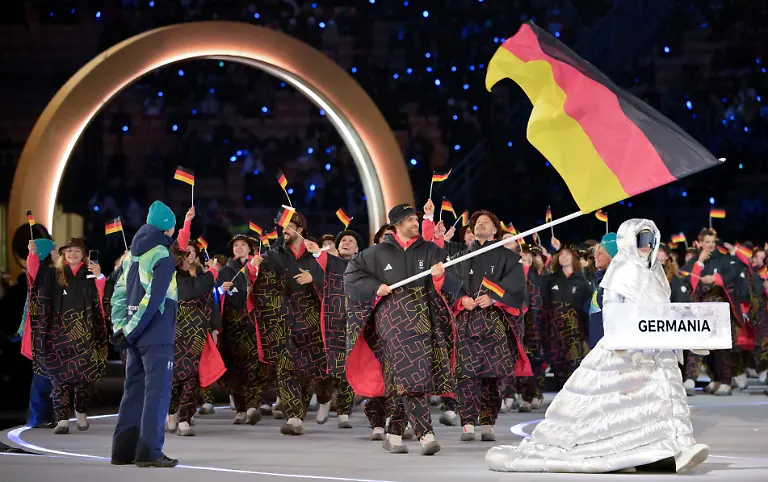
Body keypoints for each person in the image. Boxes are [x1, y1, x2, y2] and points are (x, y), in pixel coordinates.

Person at [486, 218, 710, 474]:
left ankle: (676, 448)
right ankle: (628, 452)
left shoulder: (655, 271)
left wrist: (688, 337)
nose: (646, 245)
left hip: (656, 349)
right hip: (628, 348)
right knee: (623, 407)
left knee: (664, 400)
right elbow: (612, 312)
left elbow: (664, 313)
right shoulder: (623, 270)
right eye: (641, 239)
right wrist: (625, 346)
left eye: (650, 239)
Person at [344, 203, 461, 455]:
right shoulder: (375, 253)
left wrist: (440, 277)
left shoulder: (430, 250)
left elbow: (454, 282)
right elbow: (351, 277)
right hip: (392, 319)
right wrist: (376, 287)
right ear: (396, 225)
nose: (414, 223)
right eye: (409, 219)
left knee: (402, 377)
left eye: (416, 218)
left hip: (423, 319)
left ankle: (394, 435)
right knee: (411, 374)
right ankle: (425, 435)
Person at [110, 200, 180, 468]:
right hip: (156, 335)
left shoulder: (130, 255)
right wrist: (134, 329)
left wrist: (122, 329)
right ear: (168, 228)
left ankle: (122, 451)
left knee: (133, 391)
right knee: (157, 394)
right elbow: (153, 300)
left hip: (133, 335)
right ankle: (149, 451)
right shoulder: (162, 254)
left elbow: (118, 294)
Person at [449, 210, 529, 442]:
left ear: (495, 231)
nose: (480, 225)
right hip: (466, 323)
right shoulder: (461, 257)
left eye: (486, 223)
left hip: (494, 324)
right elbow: (451, 285)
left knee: (492, 376)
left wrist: (494, 298)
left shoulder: (508, 258)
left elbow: (516, 286)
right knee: (465, 375)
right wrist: (462, 299)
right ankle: (467, 423)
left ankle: (487, 423)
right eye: (477, 223)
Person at [251, 211, 327, 435]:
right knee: (286, 368)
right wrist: (254, 270)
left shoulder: (315, 255)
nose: (283, 230)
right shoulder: (272, 256)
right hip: (283, 320)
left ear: (300, 230)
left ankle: (299, 413)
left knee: (307, 371)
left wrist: (315, 279)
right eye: (282, 226)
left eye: (289, 226)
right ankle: (293, 417)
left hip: (311, 320)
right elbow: (263, 290)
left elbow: (335, 283)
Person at [27, 237, 108, 435]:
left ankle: (80, 409)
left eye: (77, 252)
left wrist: (99, 277)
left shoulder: (88, 274)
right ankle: (62, 418)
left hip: (84, 334)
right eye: (69, 251)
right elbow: (33, 275)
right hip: (57, 334)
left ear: (84, 255)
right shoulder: (53, 274)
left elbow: (100, 298)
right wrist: (32, 255)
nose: (72, 254)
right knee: (58, 379)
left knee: (82, 379)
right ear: (63, 254)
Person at [305, 229, 364, 429]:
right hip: (330, 322)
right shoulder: (331, 262)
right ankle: (323, 400)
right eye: (343, 240)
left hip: (354, 322)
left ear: (357, 248)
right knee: (327, 368)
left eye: (351, 241)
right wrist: (315, 251)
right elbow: (320, 257)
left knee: (349, 367)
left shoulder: (363, 266)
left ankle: (344, 412)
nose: (347, 243)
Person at [587, 232, 618, 348]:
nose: (595, 256)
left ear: (612, 256)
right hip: (597, 348)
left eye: (600, 253)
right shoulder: (601, 281)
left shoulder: (615, 283)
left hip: (609, 351)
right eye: (596, 252)